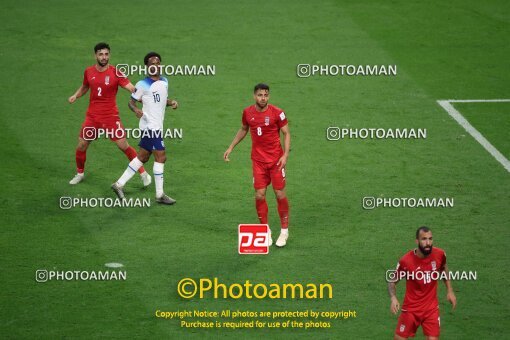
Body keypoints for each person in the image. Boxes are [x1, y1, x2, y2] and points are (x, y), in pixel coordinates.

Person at [68, 42, 151, 187]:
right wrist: (76, 95)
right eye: (101, 54)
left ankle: (144, 174)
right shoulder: (88, 72)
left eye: (106, 54)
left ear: (109, 55)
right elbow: (85, 86)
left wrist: (144, 94)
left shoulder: (116, 73)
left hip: (110, 117)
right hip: (92, 117)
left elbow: (131, 87)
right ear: (95, 56)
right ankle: (80, 174)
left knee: (123, 145)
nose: (104, 57)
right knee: (82, 145)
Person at [224, 83, 291, 247]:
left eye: (266, 95)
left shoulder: (278, 113)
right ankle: (264, 230)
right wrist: (230, 147)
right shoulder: (247, 113)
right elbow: (243, 129)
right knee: (260, 195)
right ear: (255, 96)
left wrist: (285, 155)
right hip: (258, 161)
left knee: (280, 194)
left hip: (276, 161)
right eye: (260, 95)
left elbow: (286, 133)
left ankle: (284, 231)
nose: (263, 98)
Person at [111, 52, 178, 205]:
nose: (156, 66)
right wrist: (135, 110)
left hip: (157, 126)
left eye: (158, 63)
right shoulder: (142, 84)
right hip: (150, 126)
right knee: (161, 157)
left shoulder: (165, 81)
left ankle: (119, 184)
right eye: (152, 64)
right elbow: (131, 102)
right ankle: (160, 195)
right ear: (147, 67)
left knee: (143, 157)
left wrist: (172, 102)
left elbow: (161, 100)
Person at [388, 226, 457, 340]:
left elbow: (443, 268)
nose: (428, 243)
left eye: (430, 239)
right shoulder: (406, 261)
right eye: (424, 239)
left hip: (431, 309)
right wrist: (393, 298)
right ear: (417, 241)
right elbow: (392, 281)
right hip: (411, 309)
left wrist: (450, 290)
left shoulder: (440, 254)